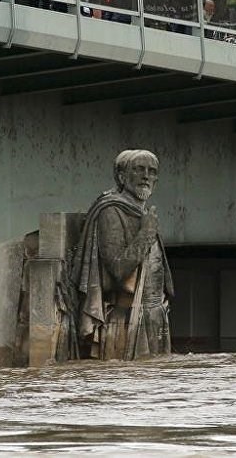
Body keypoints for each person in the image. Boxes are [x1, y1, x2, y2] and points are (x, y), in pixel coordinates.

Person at [65, 149, 173, 361]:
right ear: (122, 177)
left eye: (151, 172)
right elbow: (117, 268)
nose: (146, 176)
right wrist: (146, 233)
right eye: (139, 170)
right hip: (126, 318)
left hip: (154, 316)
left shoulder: (144, 214)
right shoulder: (111, 211)